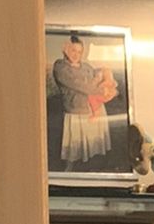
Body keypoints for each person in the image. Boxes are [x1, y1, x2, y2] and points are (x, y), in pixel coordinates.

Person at [50, 33, 118, 168]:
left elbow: (101, 79)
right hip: (76, 110)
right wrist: (101, 89)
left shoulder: (86, 66)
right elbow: (81, 86)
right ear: (65, 49)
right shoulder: (61, 67)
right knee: (73, 150)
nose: (76, 54)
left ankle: (95, 168)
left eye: (79, 52)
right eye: (73, 50)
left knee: (94, 146)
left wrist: (109, 85)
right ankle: (68, 174)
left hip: (94, 109)